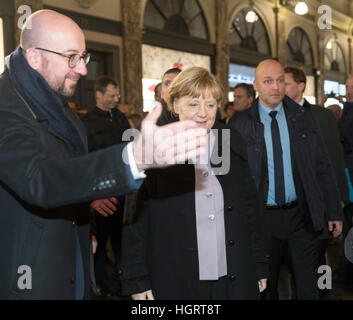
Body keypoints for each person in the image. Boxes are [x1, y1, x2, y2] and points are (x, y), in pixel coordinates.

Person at [0, 10, 207, 300]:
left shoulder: (52, 101)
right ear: (34, 56)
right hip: (28, 278)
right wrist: (134, 159)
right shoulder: (6, 106)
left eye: (82, 57)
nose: (83, 69)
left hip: (69, 261)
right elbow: (40, 178)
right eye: (71, 57)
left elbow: (67, 172)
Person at [118, 66, 269, 300]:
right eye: (193, 104)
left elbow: (249, 208)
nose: (203, 112)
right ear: (175, 105)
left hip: (232, 275)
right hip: (175, 277)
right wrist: (137, 279)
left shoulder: (230, 141)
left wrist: (258, 263)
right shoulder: (155, 146)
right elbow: (135, 219)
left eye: (210, 104)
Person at [229, 59, 343, 300]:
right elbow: (233, 180)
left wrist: (333, 210)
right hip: (262, 221)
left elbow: (323, 165)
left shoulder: (302, 117)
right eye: (268, 81)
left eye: (280, 80)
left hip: (300, 217)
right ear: (256, 85)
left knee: (308, 289)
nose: (276, 86)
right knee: (265, 289)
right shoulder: (239, 125)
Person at [284, 66, 348, 299]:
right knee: (296, 263)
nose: (282, 87)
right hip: (292, 207)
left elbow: (334, 158)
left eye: (287, 83)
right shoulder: (277, 115)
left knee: (320, 256)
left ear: (301, 86)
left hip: (319, 202)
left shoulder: (321, 116)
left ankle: (324, 293)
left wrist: (338, 201)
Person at [81, 76, 131, 297]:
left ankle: (123, 281)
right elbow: (85, 161)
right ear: (98, 95)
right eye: (111, 95)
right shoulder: (86, 122)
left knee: (123, 240)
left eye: (117, 95)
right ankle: (99, 283)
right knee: (100, 241)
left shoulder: (120, 117)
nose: (115, 99)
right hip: (100, 192)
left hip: (123, 190)